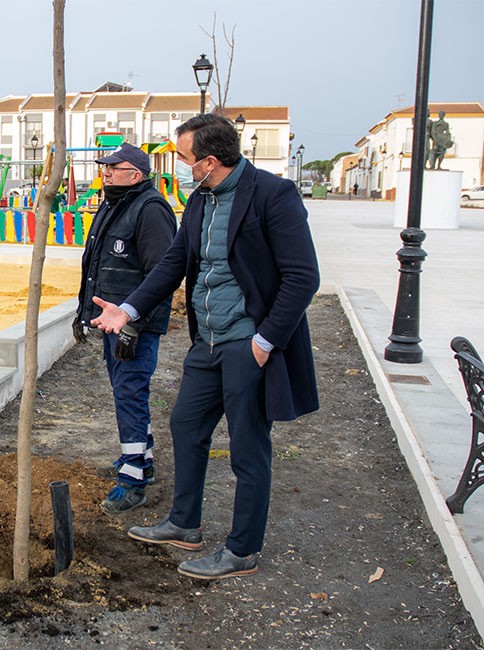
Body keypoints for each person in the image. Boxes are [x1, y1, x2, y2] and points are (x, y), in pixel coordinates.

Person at [91, 113, 320, 580]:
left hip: (248, 344)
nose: (180, 166)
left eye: (184, 158)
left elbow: (303, 277)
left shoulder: (274, 196)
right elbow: (173, 263)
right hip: (207, 343)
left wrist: (264, 341)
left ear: (210, 161)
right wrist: (129, 310)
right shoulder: (199, 200)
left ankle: (242, 550)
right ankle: (184, 524)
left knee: (248, 449)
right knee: (186, 426)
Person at [71, 143, 177, 514]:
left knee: (130, 395)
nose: (106, 171)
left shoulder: (149, 210)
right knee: (124, 392)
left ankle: (133, 481)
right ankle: (140, 461)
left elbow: (162, 275)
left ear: (137, 174)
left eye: (115, 167)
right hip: (112, 323)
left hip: (133, 328)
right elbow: (96, 266)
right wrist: (83, 313)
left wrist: (135, 323)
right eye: (105, 166)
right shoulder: (114, 204)